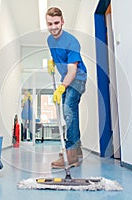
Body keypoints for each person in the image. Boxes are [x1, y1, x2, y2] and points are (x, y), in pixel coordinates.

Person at [46, 7, 87, 168]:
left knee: (69, 109)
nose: (54, 27)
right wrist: (52, 62)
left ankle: (71, 154)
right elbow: (57, 56)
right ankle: (76, 150)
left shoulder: (71, 41)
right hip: (66, 78)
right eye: (50, 24)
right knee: (67, 113)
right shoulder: (49, 40)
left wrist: (62, 87)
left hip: (77, 78)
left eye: (56, 23)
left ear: (62, 22)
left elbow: (73, 70)